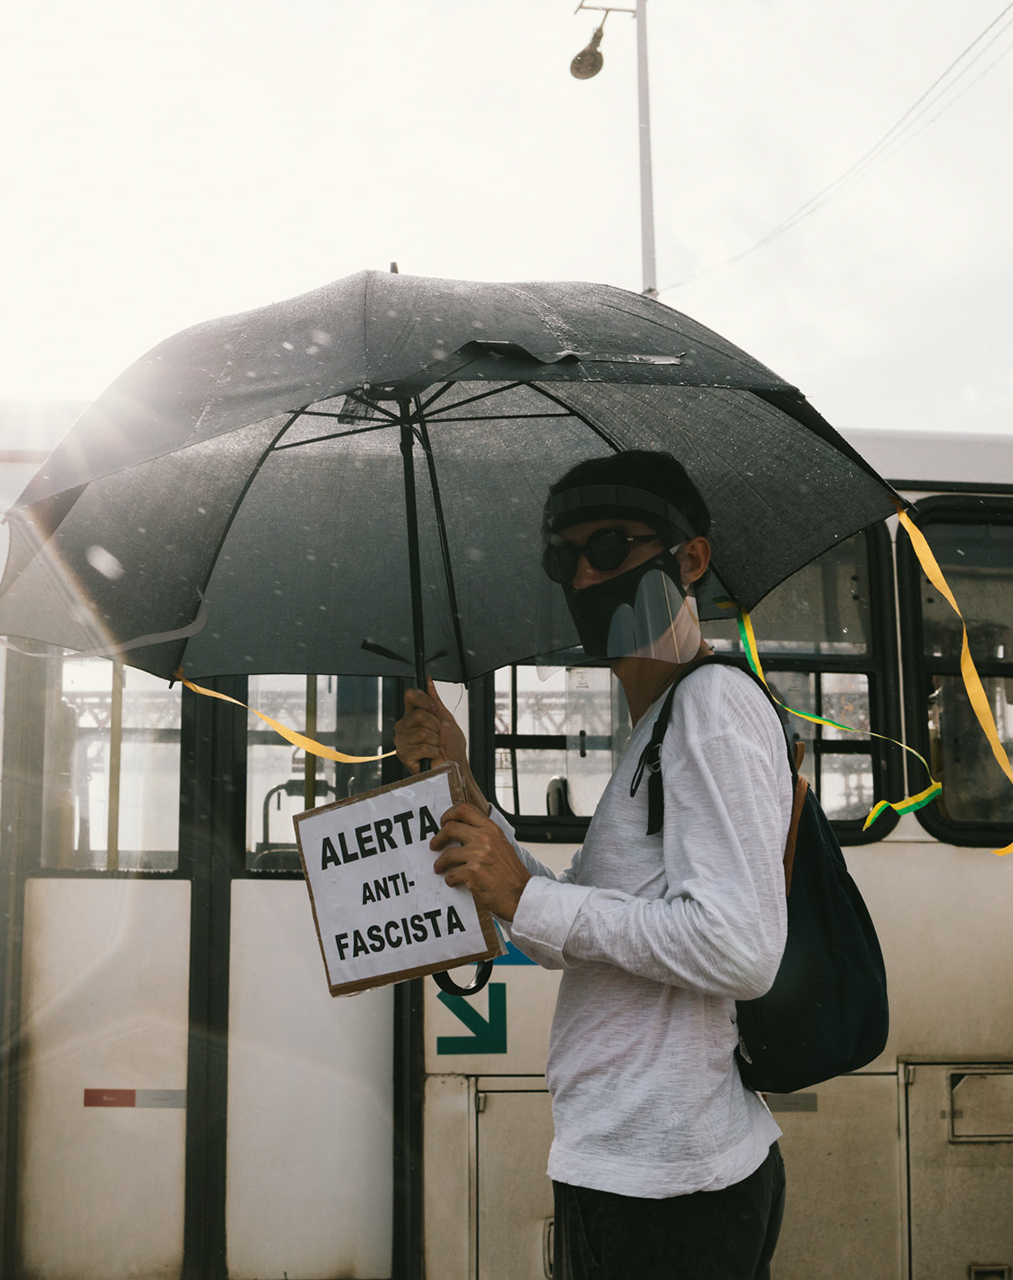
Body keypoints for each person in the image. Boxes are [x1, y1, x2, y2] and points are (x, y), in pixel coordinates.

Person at [395, 450, 792, 1279]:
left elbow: (739, 948)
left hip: (671, 1186)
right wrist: (460, 782)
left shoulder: (711, 707)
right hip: (627, 1165)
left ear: (691, 559)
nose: (582, 576)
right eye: (563, 558)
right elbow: (568, 931)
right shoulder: (659, 722)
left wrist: (528, 898)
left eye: (609, 548)